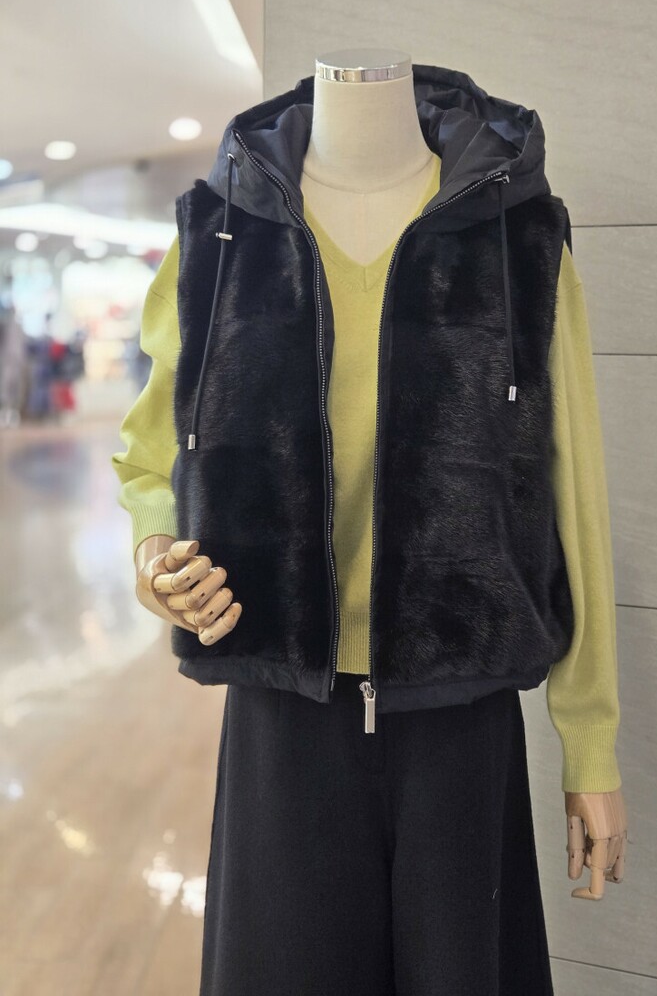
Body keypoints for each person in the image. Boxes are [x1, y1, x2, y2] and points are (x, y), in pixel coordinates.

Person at [112, 53, 627, 995]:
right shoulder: (221, 232)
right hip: (281, 711)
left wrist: (589, 740)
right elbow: (150, 457)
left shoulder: (517, 234)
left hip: (460, 714)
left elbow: (573, 488)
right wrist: (157, 562)